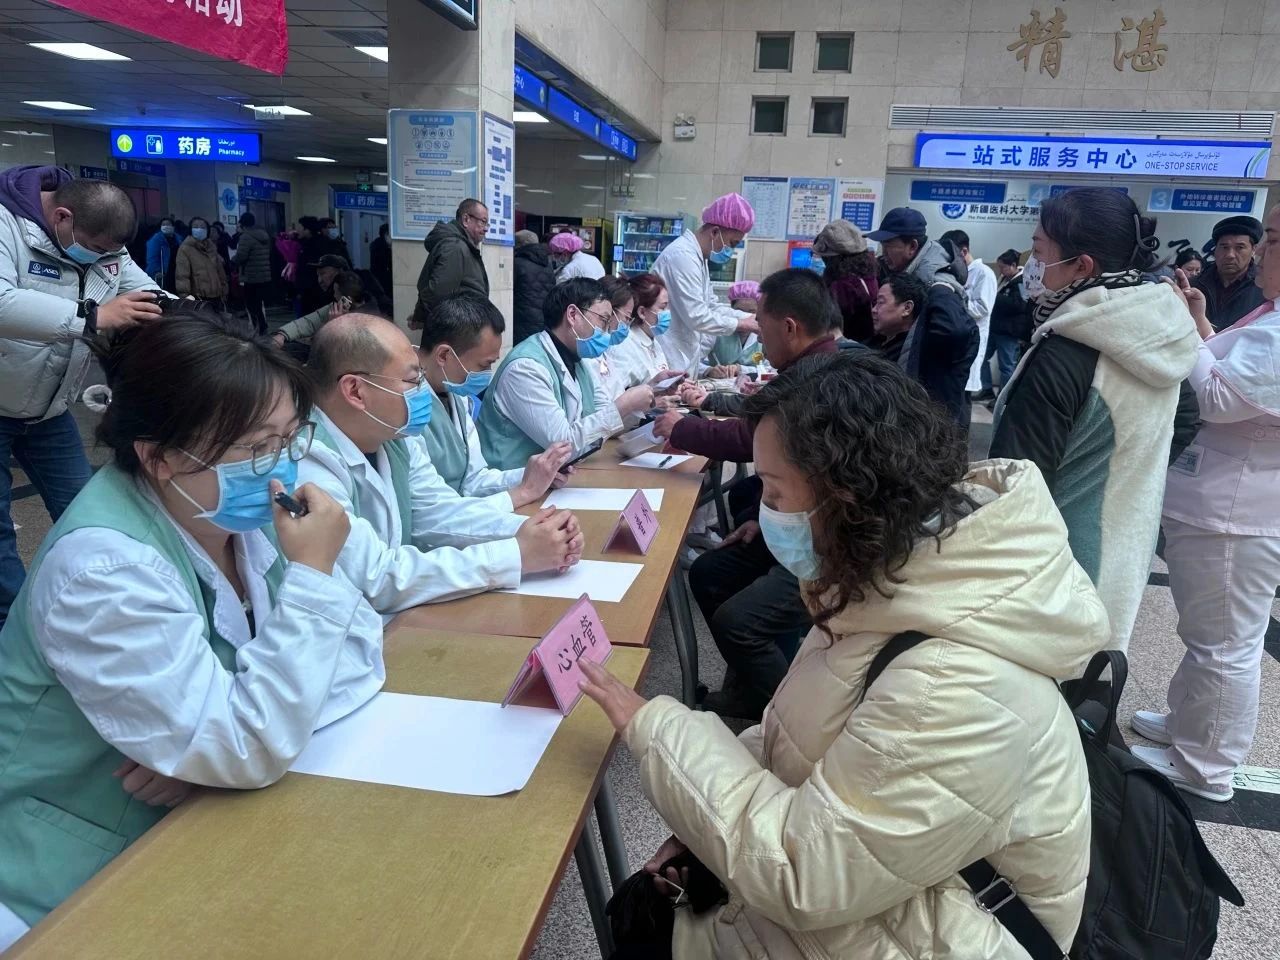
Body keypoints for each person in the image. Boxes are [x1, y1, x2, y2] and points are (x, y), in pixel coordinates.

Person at [578, 349, 1108, 960]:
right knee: (641, 911)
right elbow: (797, 735)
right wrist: (699, 828)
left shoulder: (956, 681)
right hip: (887, 889)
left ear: (847, 495)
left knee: (644, 932)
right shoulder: (892, 584)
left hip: (931, 928)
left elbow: (804, 875)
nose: (766, 511)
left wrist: (658, 730)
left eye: (775, 491)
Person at [0, 310, 385, 947]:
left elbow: (362, 653)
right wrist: (225, 741)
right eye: (254, 449)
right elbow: (248, 746)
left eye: (289, 440)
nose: (281, 468)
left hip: (207, 826)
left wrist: (207, 753)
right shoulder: (103, 568)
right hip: (71, 877)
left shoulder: (241, 517)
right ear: (158, 458)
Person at [989, 187, 1200, 652]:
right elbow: (1186, 418)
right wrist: (1124, 475)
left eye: (1039, 250)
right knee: (1096, 667)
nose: (1032, 264)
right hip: (1125, 542)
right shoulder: (1159, 332)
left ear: (1081, 266)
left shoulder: (1066, 351)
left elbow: (1017, 481)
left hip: (1056, 562)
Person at [1128, 206, 1280, 803]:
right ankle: (1189, 724)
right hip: (1223, 501)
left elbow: (1220, 397)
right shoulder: (1270, 316)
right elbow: (1235, 371)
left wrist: (1184, 332)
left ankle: (1206, 764)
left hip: (1236, 512)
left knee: (1225, 644)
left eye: (1271, 240)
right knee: (1209, 632)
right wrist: (1200, 323)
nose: (1259, 252)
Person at [299, 312, 584, 615]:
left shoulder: (394, 438)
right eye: (412, 380)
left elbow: (439, 512)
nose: (423, 390)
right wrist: (515, 554)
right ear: (355, 391)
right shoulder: (308, 463)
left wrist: (534, 531)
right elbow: (376, 578)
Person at [653, 269, 840, 718]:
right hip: (805, 521)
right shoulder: (811, 369)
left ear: (789, 327)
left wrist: (681, 426)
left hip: (833, 541)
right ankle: (750, 690)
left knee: (739, 623)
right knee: (710, 572)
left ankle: (795, 720)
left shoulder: (817, 382)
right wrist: (766, 515)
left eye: (760, 321)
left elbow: (750, 438)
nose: (756, 330)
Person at [0, 166, 163, 627]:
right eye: (94, 249)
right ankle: (12, 629)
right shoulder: (7, 225)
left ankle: (106, 606)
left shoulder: (102, 242)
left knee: (86, 508)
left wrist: (180, 310)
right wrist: (92, 316)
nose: (101, 260)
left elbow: (140, 290)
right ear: (62, 217)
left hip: (49, 411)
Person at [478, 278, 655, 470]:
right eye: (604, 321)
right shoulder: (525, 369)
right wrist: (625, 405)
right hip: (512, 480)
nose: (607, 332)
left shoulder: (578, 362)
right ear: (573, 315)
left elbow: (602, 420)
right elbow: (562, 445)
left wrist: (639, 403)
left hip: (556, 476)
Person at [418, 294, 573, 503]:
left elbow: (472, 481)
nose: (487, 374)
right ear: (444, 355)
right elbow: (433, 508)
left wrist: (536, 474)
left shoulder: (456, 393)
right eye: (484, 365)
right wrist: (522, 493)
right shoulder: (405, 407)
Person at [867, 207, 978, 428]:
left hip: (935, 403)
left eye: (889, 245)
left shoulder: (935, 281)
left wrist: (926, 363)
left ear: (912, 246)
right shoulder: (914, 270)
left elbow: (957, 332)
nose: (883, 252)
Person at [653, 193, 760, 375]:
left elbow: (711, 306)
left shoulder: (699, 259)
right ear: (715, 232)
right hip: (668, 351)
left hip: (682, 353)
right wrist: (740, 324)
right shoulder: (682, 257)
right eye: (732, 243)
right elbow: (697, 315)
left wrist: (751, 318)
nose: (731, 251)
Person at [413, 199, 490, 332]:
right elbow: (438, 292)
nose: (486, 229)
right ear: (466, 219)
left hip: (461, 327)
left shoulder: (461, 245)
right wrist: (420, 317)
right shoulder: (455, 247)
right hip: (455, 331)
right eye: (483, 222)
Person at [941, 229, 998, 398]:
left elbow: (982, 308)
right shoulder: (956, 272)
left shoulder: (984, 273)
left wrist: (953, 304)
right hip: (955, 338)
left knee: (962, 393)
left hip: (971, 339)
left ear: (964, 251)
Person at [273, 271, 371, 359]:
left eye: (336, 292)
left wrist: (333, 326)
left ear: (347, 299)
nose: (334, 295)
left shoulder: (370, 320)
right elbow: (309, 322)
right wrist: (283, 335)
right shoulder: (337, 307)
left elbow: (336, 353)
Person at [1193, 215, 1267, 331]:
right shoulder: (1195, 285)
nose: (1230, 255)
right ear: (1215, 249)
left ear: (1254, 250)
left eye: (1239, 248)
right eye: (1224, 247)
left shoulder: (1264, 288)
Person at [608, 272, 677, 390]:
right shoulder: (624, 347)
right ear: (642, 312)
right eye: (662, 307)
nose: (667, 312)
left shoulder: (653, 340)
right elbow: (618, 395)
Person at [813, 219, 878, 342]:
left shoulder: (842, 286)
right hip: (867, 343)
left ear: (831, 259)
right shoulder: (869, 274)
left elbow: (828, 324)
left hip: (847, 345)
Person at [987, 248, 1031, 391]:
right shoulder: (1004, 280)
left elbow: (1020, 305)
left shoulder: (1022, 282)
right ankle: (986, 389)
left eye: (1003, 267)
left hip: (1009, 331)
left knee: (1007, 366)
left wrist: (996, 297)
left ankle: (1003, 396)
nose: (1001, 271)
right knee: (981, 358)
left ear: (1013, 265)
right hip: (995, 328)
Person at [703, 280, 766, 378]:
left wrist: (741, 369)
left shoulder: (765, 335)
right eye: (739, 312)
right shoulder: (717, 330)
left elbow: (771, 369)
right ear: (730, 309)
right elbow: (692, 362)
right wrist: (708, 370)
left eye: (752, 312)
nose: (745, 317)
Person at [867, 271, 926, 365]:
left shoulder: (909, 353)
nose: (873, 310)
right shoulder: (877, 339)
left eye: (881, 302)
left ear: (907, 308)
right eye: (876, 303)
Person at [513, 231, 557, 346]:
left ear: (519, 244)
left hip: (522, 318)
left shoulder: (517, 263)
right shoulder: (547, 263)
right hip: (544, 317)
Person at [233, 210, 273, 335]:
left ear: (242, 224)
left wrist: (232, 260)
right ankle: (262, 326)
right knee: (258, 304)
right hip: (264, 275)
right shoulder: (264, 236)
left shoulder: (246, 237)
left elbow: (241, 256)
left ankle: (257, 329)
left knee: (251, 305)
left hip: (251, 276)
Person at [174, 216, 228, 306]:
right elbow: (182, 275)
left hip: (217, 295)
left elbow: (220, 271)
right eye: (196, 227)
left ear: (207, 230)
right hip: (198, 296)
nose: (199, 229)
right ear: (191, 229)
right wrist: (184, 295)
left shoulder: (212, 247)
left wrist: (224, 289)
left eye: (203, 227)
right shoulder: (185, 249)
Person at [145, 216, 180, 292]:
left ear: (173, 227)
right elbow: (152, 258)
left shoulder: (178, 239)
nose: (166, 226)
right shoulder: (155, 240)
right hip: (163, 272)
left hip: (176, 271)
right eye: (163, 224)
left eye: (168, 224)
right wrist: (156, 271)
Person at [369, 222, 392, 295]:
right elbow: (387, 263)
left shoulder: (376, 243)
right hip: (382, 278)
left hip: (377, 277)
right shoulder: (381, 246)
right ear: (386, 234)